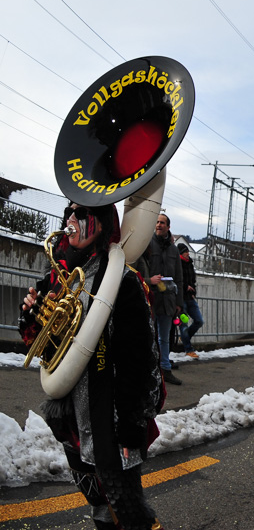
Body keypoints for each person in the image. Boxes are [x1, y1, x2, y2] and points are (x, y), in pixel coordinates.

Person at [20, 202, 165, 530]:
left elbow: (139, 360)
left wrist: (132, 423)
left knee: (127, 507)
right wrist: (30, 317)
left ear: (100, 224)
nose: (71, 219)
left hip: (111, 418)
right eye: (68, 212)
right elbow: (39, 345)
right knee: (97, 500)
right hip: (71, 415)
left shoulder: (124, 281)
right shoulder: (58, 278)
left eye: (81, 214)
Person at [138, 213, 184, 385]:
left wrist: (179, 303)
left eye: (162, 222)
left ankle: (165, 370)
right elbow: (136, 272)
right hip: (150, 298)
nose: (159, 225)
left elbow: (179, 278)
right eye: (157, 222)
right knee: (148, 337)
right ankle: (148, 371)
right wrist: (150, 281)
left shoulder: (174, 249)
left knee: (164, 338)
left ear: (168, 227)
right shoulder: (146, 245)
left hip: (167, 302)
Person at [177, 243, 203, 359]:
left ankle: (184, 337)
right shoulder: (177, 264)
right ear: (181, 253)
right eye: (185, 252)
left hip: (190, 298)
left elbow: (193, 280)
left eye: (187, 251)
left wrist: (193, 292)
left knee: (199, 321)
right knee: (184, 324)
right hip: (181, 299)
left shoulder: (190, 264)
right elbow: (177, 281)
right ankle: (188, 349)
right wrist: (185, 287)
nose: (188, 253)